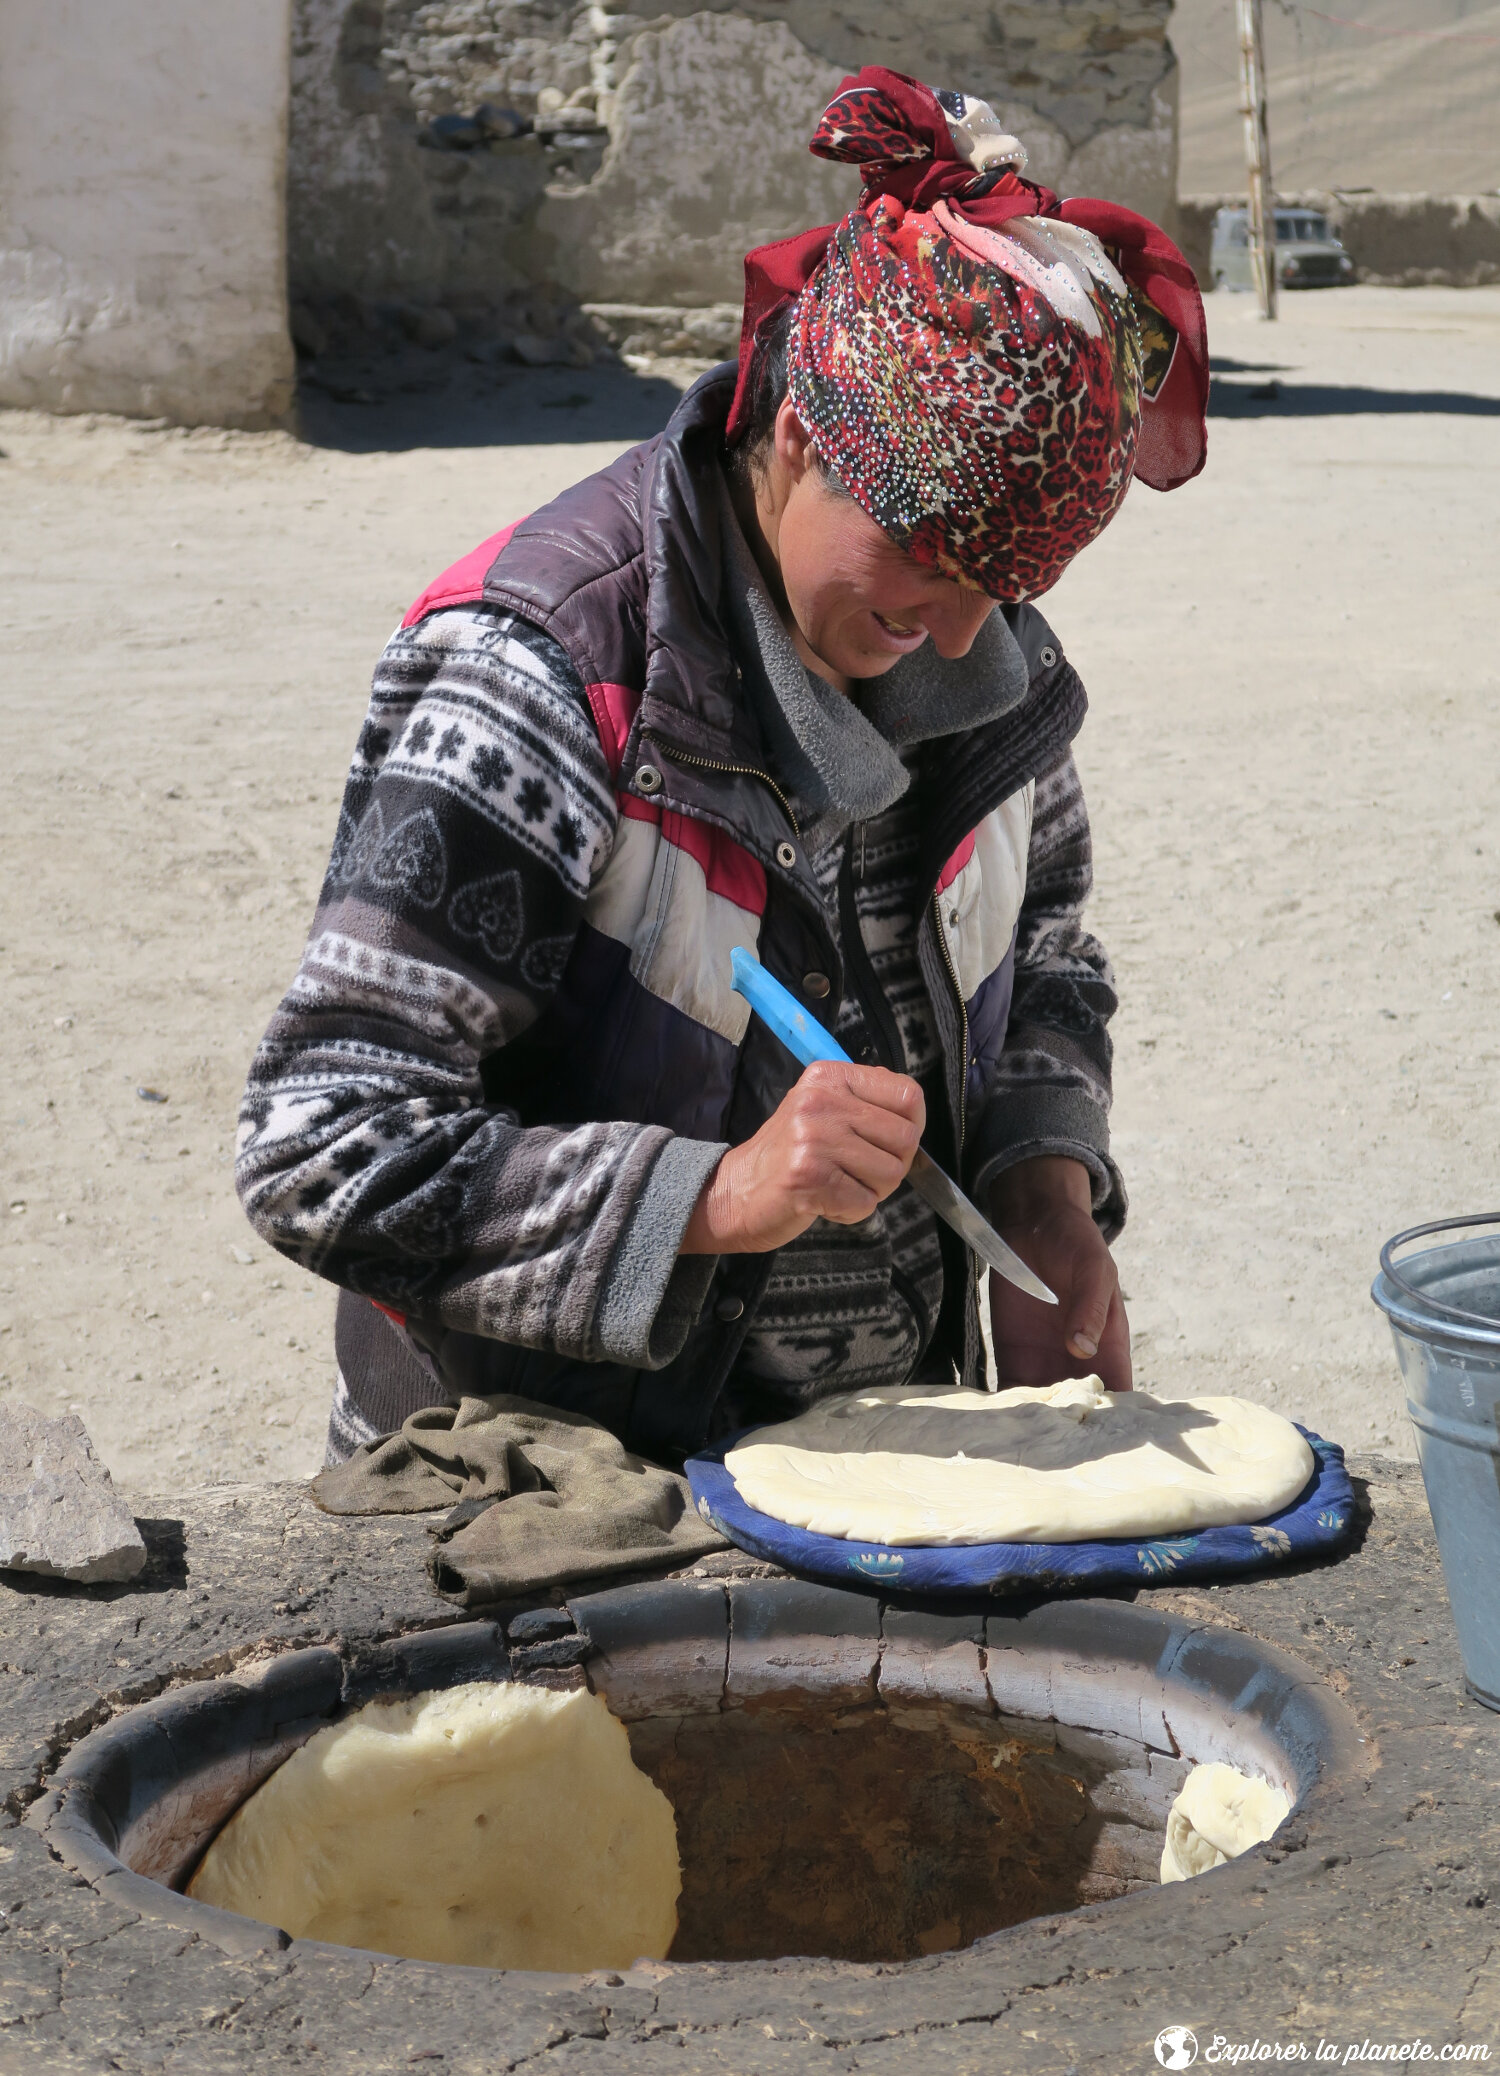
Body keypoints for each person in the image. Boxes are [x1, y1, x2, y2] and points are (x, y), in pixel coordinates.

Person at [235, 69, 1207, 1468]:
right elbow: (321, 1144)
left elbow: (1044, 949)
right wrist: (713, 1196)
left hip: (876, 1472)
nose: (953, 627)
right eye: (924, 561)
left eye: (1002, 582)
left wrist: (1041, 1191)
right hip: (543, 1494)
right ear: (804, 434)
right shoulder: (549, 672)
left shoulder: (985, 671)